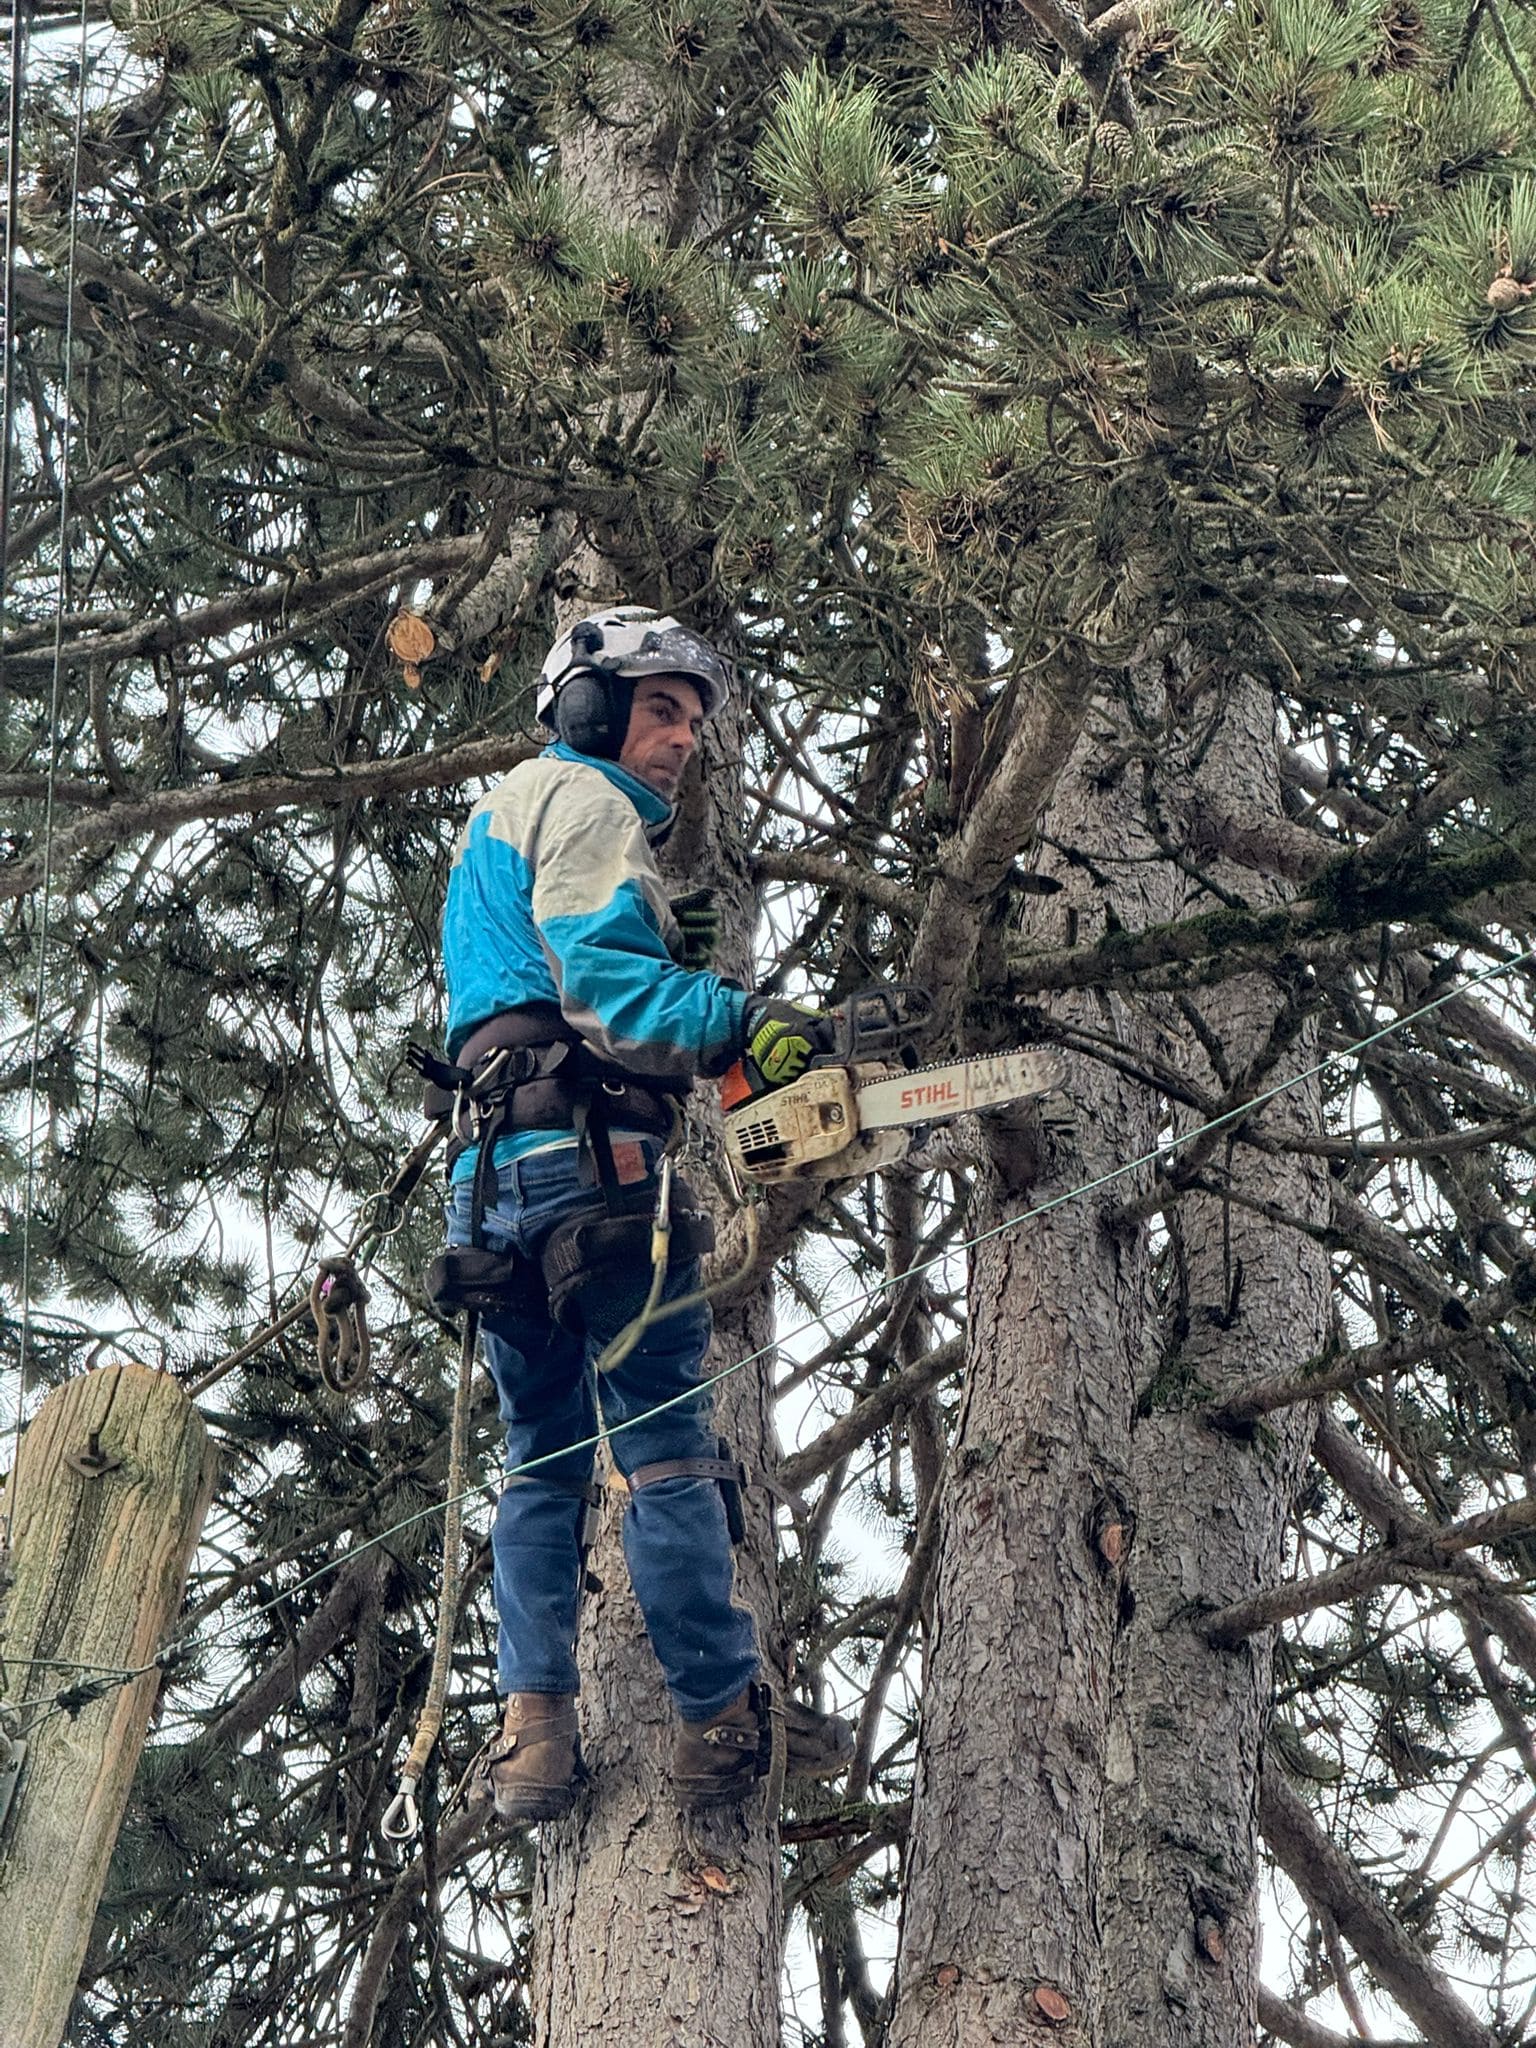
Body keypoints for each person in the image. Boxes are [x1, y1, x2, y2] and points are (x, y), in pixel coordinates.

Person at [436, 605, 847, 1823]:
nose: (682, 739)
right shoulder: (589, 802)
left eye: (693, 721)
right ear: (587, 707)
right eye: (661, 709)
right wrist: (732, 1016)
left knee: (540, 1458)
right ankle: (718, 1715)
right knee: (667, 1448)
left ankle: (536, 1738)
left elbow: (537, 974)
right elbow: (605, 991)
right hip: (596, 1169)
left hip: (491, 1186)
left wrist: (670, 943)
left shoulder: (496, 816)